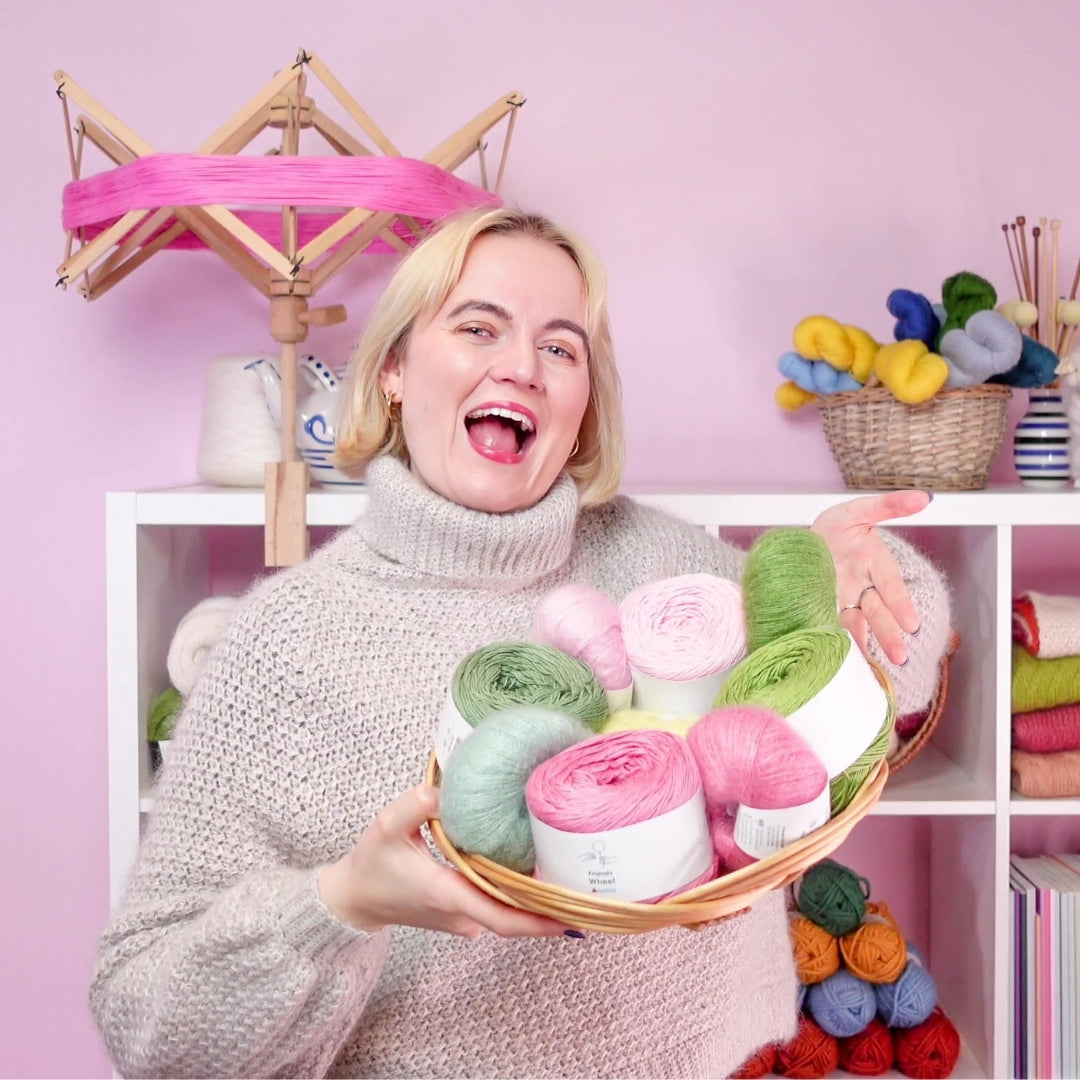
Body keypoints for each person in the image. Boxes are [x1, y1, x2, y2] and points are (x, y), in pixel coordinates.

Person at [90, 207, 946, 1079]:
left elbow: (894, 685)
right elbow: (150, 1027)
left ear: (583, 405)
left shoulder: (666, 570)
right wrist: (342, 904)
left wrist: (856, 581)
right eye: (477, 327)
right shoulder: (287, 645)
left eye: (562, 348)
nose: (521, 368)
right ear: (393, 368)